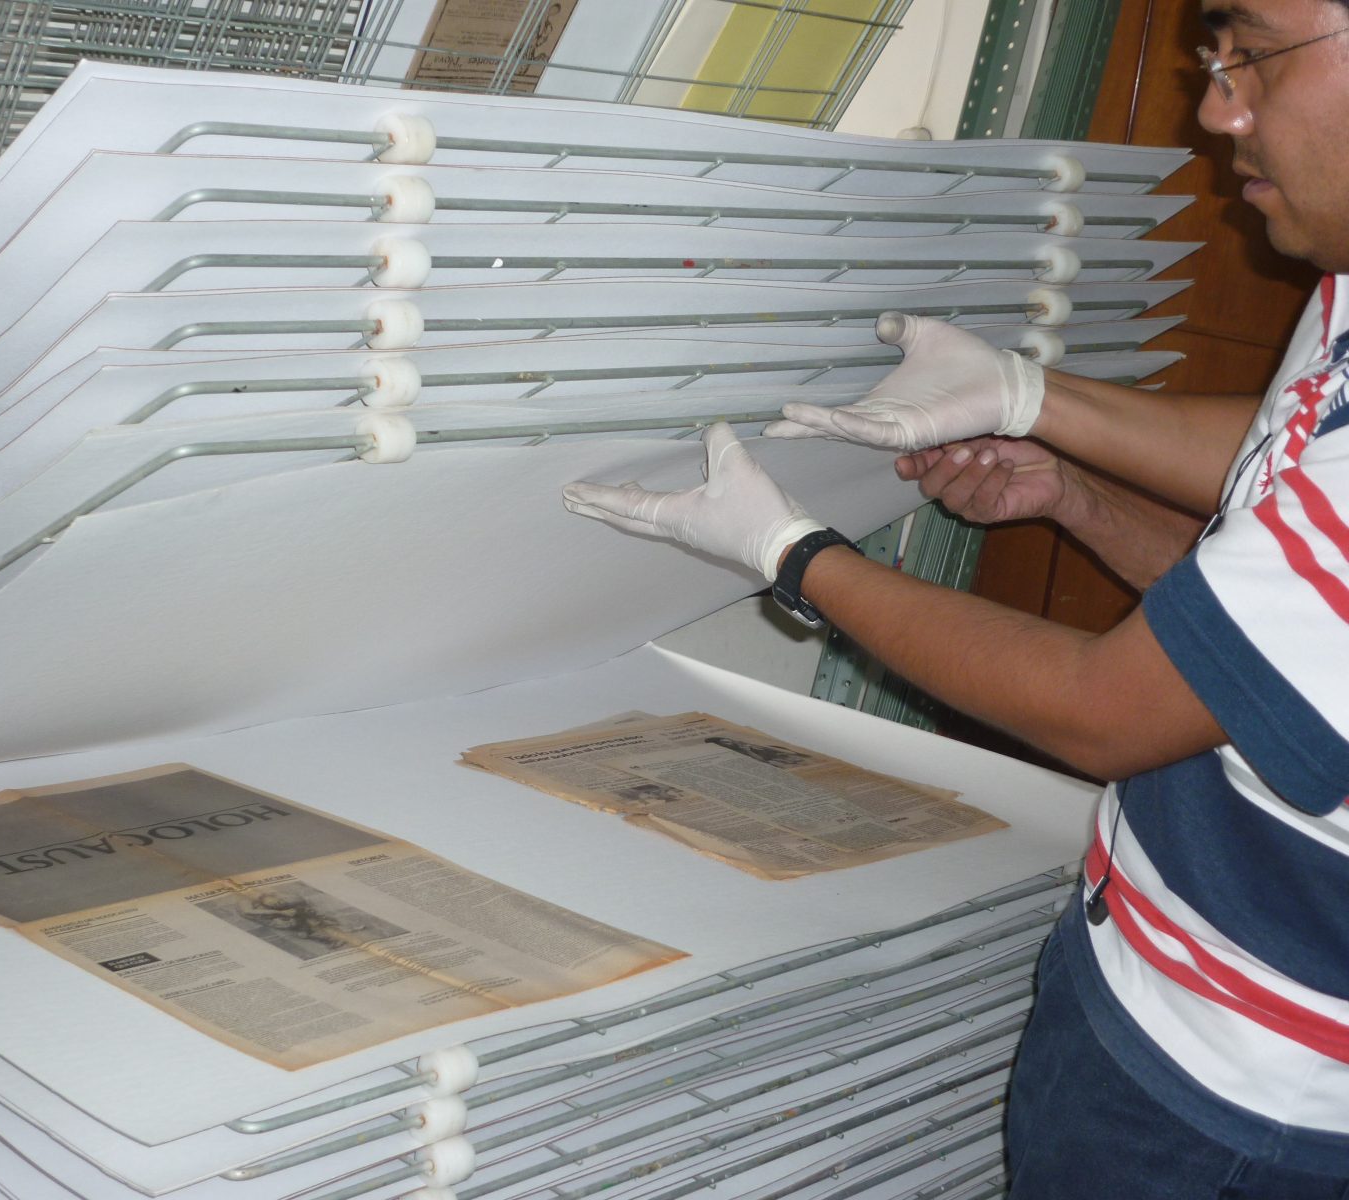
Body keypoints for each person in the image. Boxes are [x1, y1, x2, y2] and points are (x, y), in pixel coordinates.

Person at [562, 2, 1349, 1194]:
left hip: (1237, 1113)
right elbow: (1284, 487)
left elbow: (1101, 707)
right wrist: (1040, 419)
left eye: (1254, 53)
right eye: (1213, 52)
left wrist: (790, 554)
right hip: (1155, 989)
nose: (1214, 105)